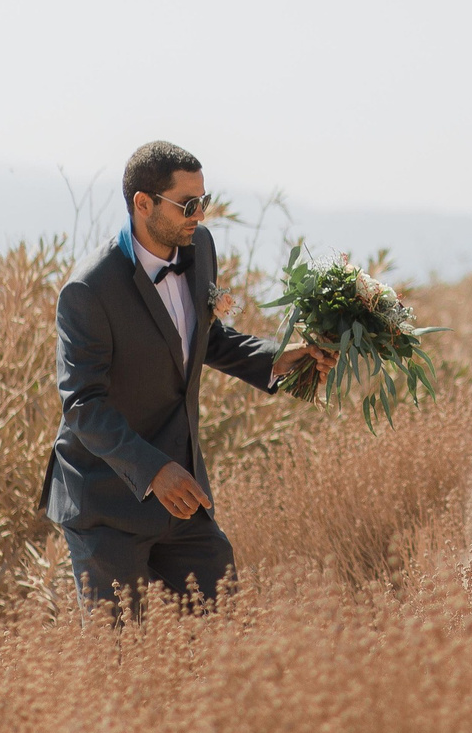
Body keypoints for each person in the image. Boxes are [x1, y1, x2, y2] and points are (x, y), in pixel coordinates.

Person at [39, 140, 328, 606]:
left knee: (226, 623)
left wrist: (276, 359)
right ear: (143, 203)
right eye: (188, 204)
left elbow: (197, 339)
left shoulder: (199, 247)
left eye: (204, 201)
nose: (199, 215)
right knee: (118, 657)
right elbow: (82, 405)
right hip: (105, 499)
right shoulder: (88, 290)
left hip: (182, 494)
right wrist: (154, 471)